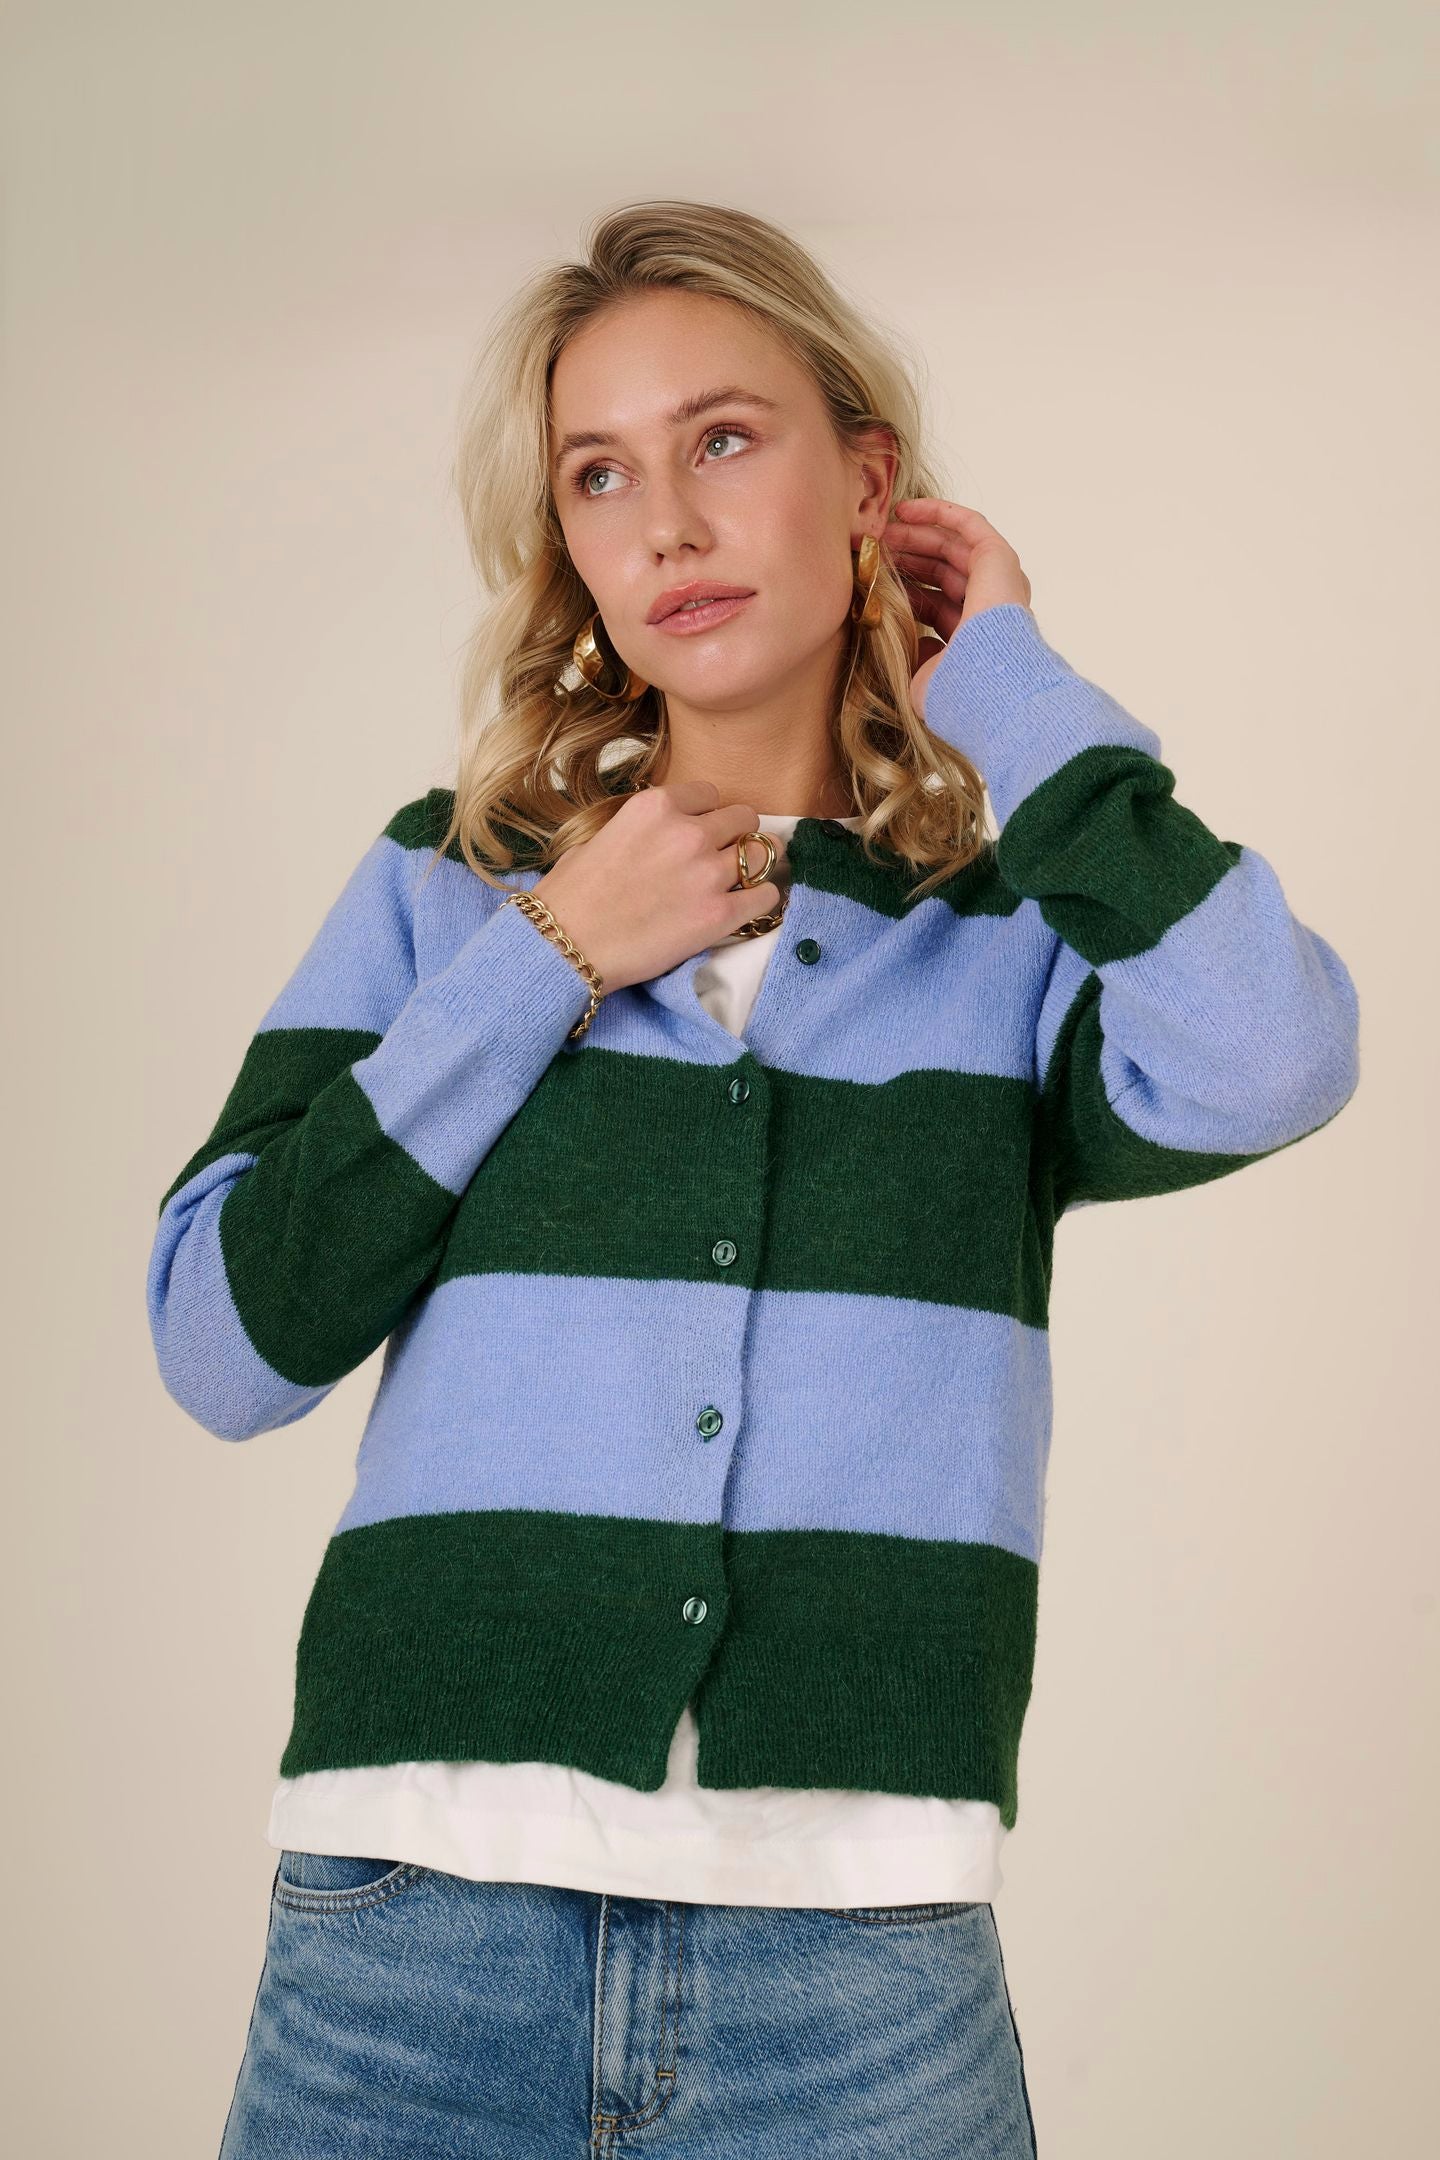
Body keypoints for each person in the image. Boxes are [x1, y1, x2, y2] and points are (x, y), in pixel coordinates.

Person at [146, 199, 1361, 2158]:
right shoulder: (449, 891)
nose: (666, 525)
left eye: (722, 438)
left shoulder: (1003, 940)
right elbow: (222, 1341)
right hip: (410, 1933)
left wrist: (1013, 691)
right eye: (600, 474)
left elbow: (1275, 1048)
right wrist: (549, 957)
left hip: (858, 1965)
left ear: (867, 483)